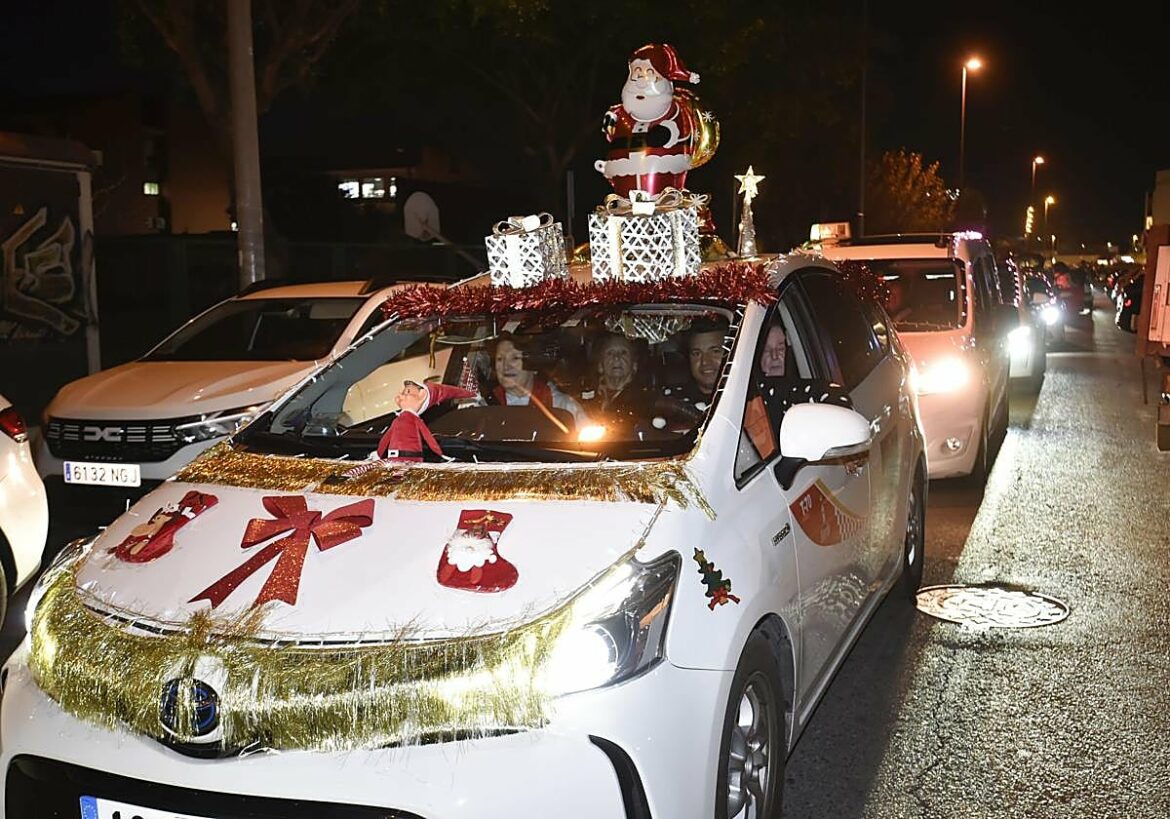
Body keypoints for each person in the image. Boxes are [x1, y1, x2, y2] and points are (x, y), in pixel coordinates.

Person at [490, 335, 589, 427]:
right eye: (500, 359)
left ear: (533, 364)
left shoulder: (563, 406)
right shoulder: (485, 407)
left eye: (515, 358)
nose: (506, 366)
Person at [580, 333, 652, 426]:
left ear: (634, 365)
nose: (617, 358)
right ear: (600, 366)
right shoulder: (586, 396)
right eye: (610, 353)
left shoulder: (646, 401)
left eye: (623, 352)